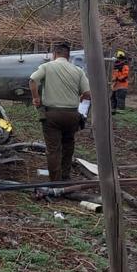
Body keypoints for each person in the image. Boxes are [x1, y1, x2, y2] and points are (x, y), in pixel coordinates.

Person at [29, 43, 91, 181]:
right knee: (68, 146)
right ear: (68, 56)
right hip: (72, 115)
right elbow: (87, 93)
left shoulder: (47, 67)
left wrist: (36, 98)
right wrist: (80, 97)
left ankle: (55, 182)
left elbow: (33, 80)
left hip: (52, 115)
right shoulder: (78, 70)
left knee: (53, 149)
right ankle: (65, 176)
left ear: (54, 54)